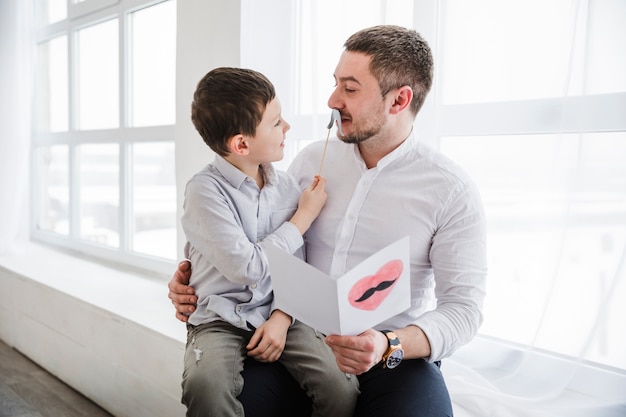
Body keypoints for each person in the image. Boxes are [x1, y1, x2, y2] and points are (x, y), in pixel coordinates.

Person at [169, 25, 487, 417]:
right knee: (231, 400)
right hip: (294, 334)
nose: (333, 99)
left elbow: (464, 309)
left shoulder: (451, 190)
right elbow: (246, 241)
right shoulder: (304, 165)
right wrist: (191, 276)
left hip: (392, 356)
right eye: (336, 83)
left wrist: (389, 344)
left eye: (350, 89)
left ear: (399, 99)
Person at [178, 67, 359, 417]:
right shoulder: (203, 191)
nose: (286, 127)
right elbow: (246, 267)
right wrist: (302, 218)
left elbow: (298, 263)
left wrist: (282, 315)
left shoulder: (288, 186)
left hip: (281, 311)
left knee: (340, 387)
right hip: (219, 317)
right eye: (276, 122)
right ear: (241, 144)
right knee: (206, 388)